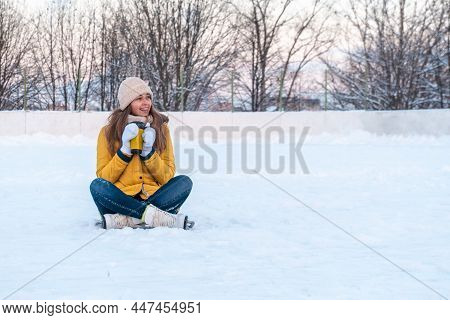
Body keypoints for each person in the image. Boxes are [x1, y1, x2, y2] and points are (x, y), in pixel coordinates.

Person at [89, 77, 194, 230]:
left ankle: (127, 220)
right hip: (120, 200)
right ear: (127, 103)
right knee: (97, 186)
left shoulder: (162, 129)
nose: (146, 103)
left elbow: (167, 176)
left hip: (154, 198)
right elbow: (104, 177)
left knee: (184, 182)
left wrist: (149, 153)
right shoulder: (107, 132)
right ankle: (156, 217)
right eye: (139, 98)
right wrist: (124, 152)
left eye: (148, 97)